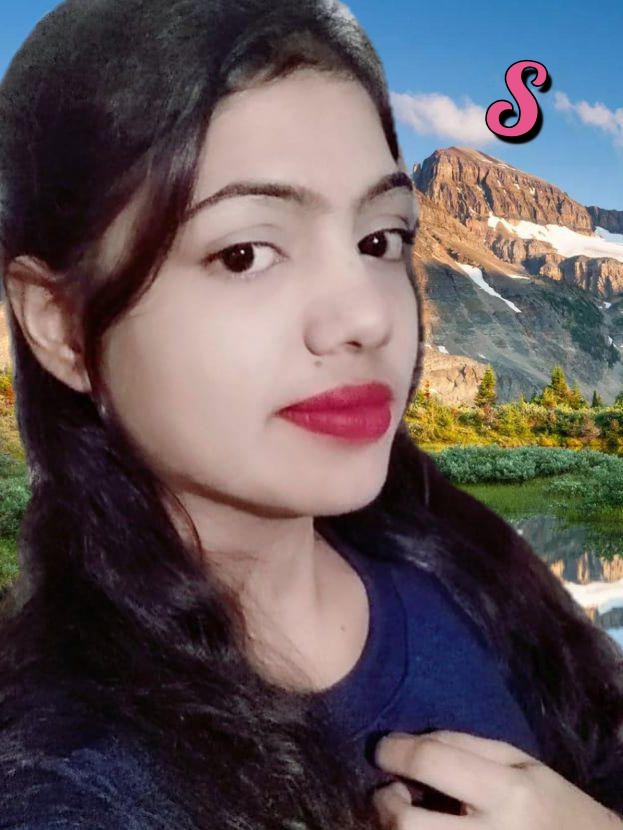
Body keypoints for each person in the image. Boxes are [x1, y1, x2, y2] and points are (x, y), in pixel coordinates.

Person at [0, 1, 621, 828]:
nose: (365, 316)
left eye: (380, 241)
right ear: (60, 324)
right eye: (244, 253)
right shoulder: (64, 787)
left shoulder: (461, 565)